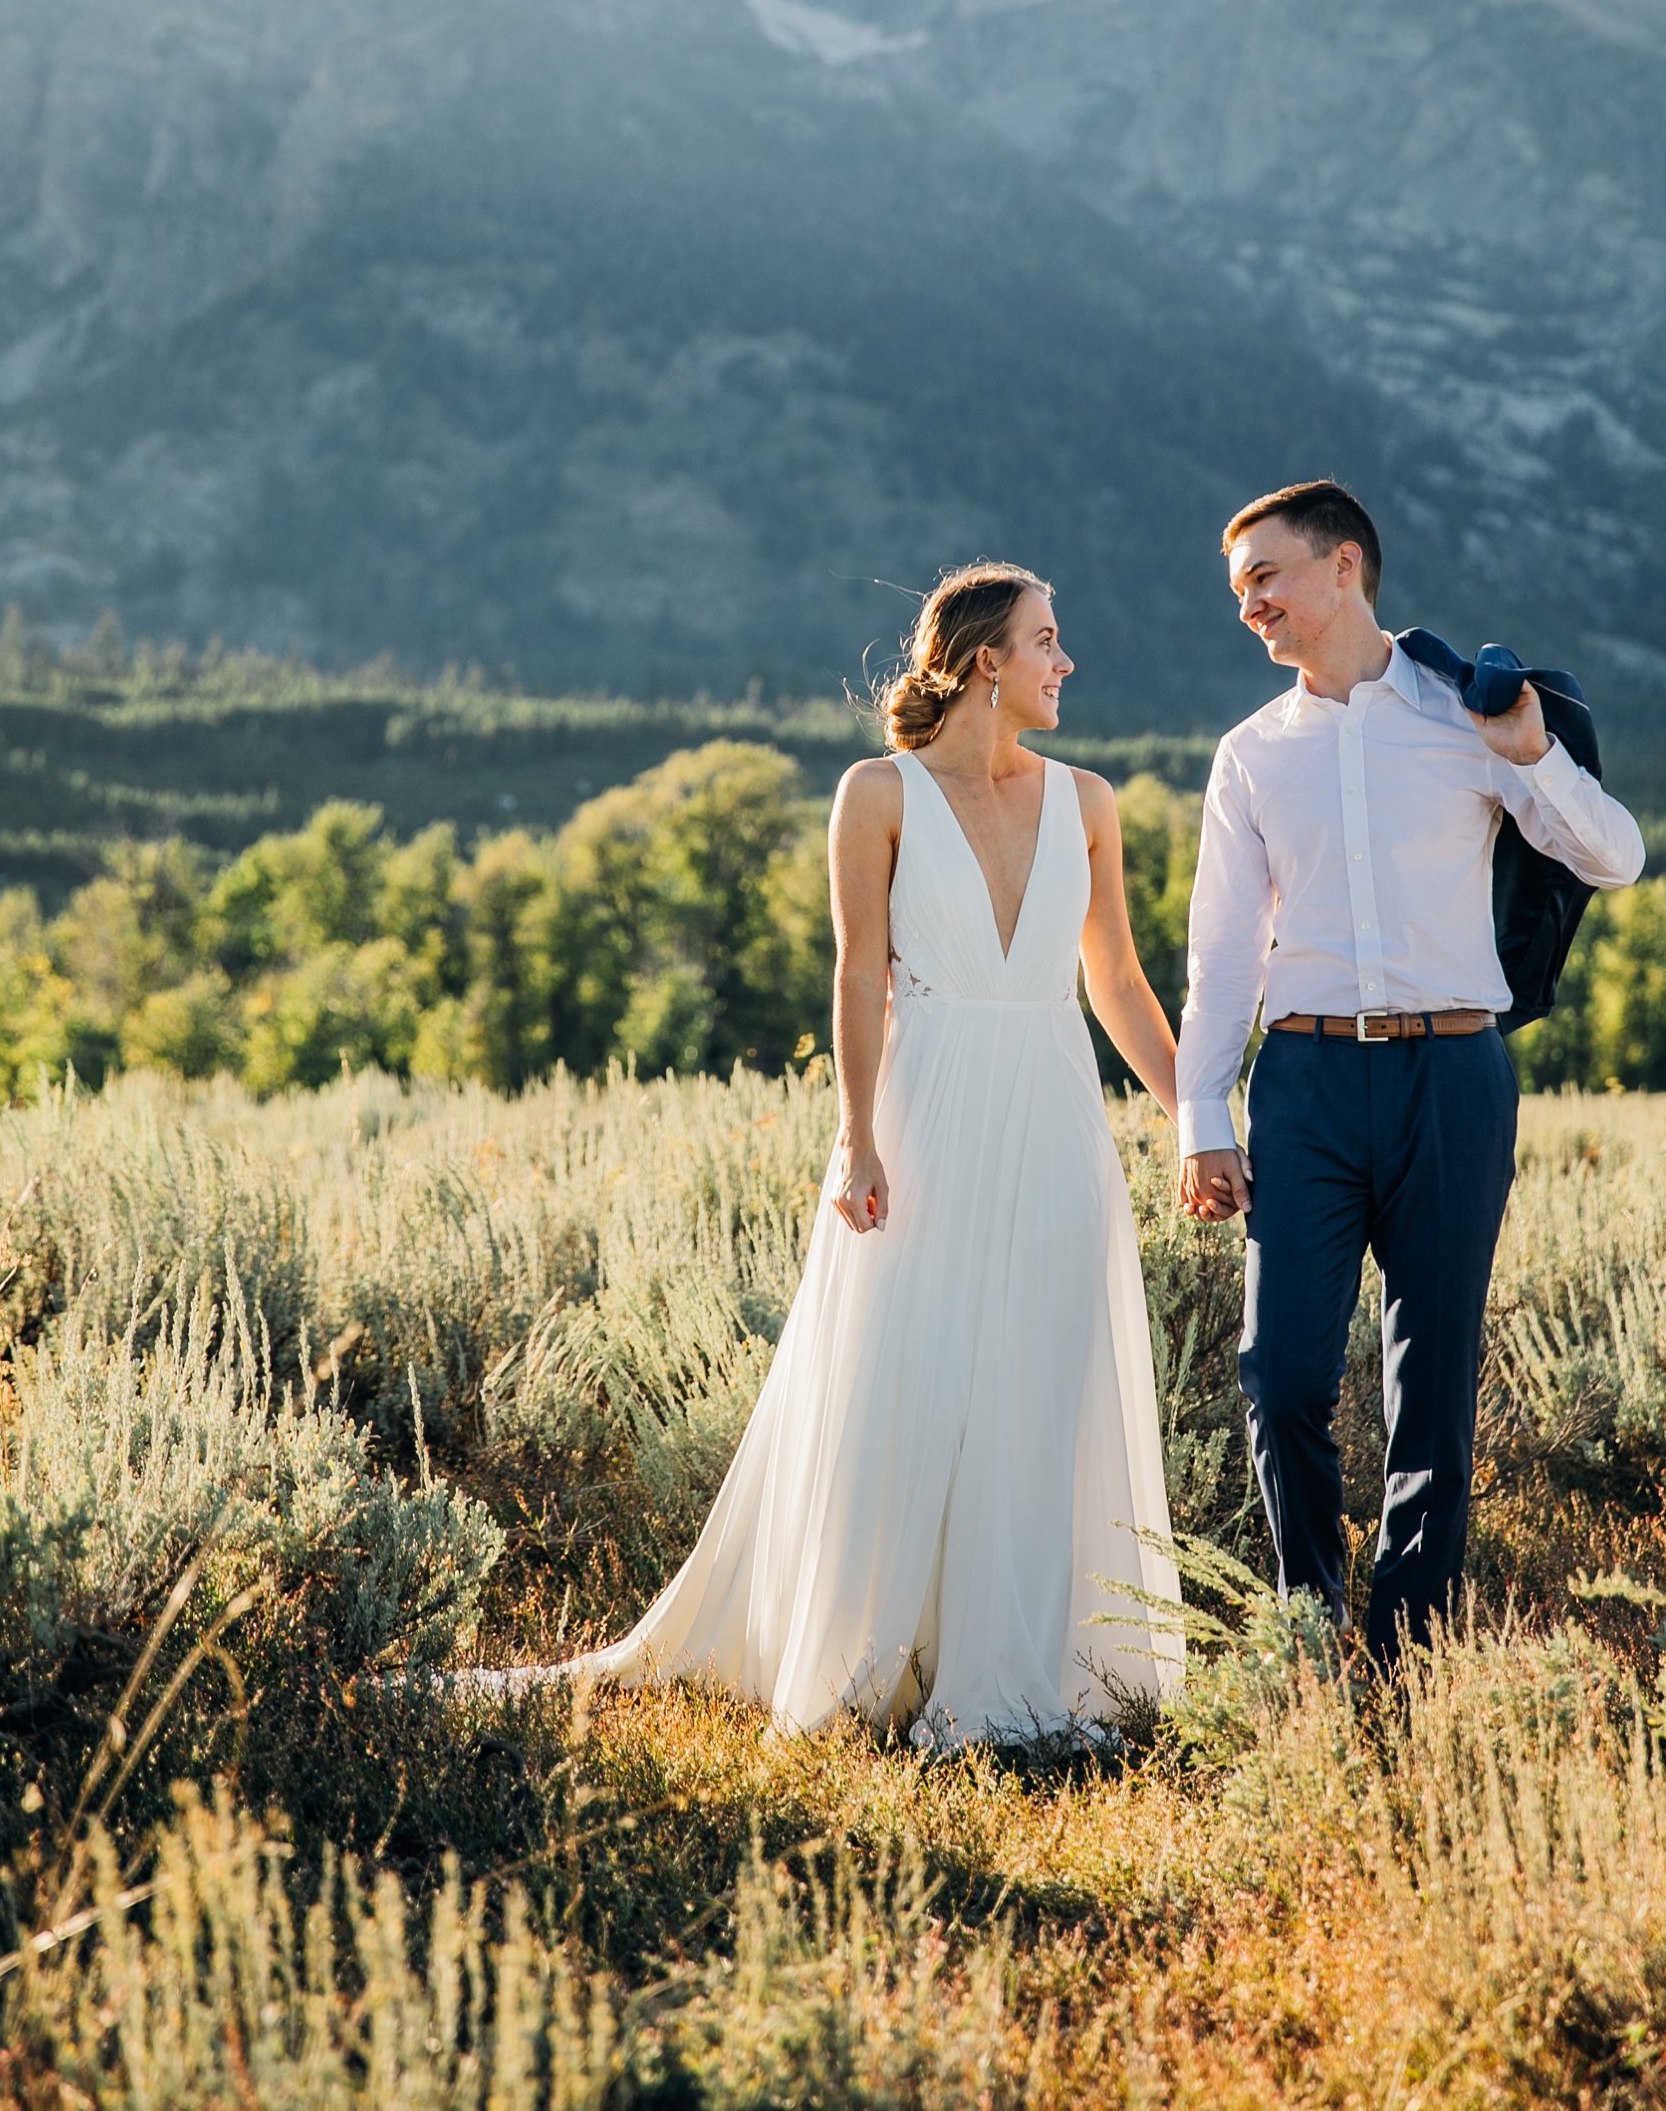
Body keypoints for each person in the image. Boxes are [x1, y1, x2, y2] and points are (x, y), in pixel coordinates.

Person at [452, 563, 1184, 1748]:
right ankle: (869, 1658)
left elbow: (1117, 980)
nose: (1065, 663)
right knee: (910, 1375)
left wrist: (1194, 1117)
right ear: (987, 659)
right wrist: (857, 1136)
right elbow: (857, 973)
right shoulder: (875, 793)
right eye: (1048, 641)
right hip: (927, 1111)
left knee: (1038, 1386)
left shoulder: (1088, 801)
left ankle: (1018, 1665)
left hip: (1054, 1120)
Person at [1175, 482, 1644, 1666]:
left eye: (1265, 578)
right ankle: (1307, 1619)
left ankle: (1406, 1646)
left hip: (1453, 1076)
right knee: (1279, 1373)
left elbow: (1613, 857)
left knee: (1430, 1380)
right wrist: (1199, 1110)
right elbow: (1222, 950)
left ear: (1344, 566)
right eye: (1239, 591)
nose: (1251, 605)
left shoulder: (1467, 714)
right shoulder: (1248, 755)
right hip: (1305, 1085)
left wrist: (1525, 750)